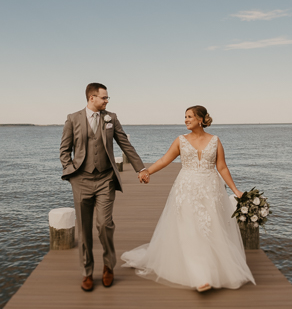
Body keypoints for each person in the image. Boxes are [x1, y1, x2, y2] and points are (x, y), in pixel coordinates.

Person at [121, 105, 255, 292]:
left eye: (189, 116)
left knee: (210, 228)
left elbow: (222, 167)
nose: (185, 120)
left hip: (211, 190)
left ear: (200, 119)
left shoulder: (215, 141)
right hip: (186, 189)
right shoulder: (180, 141)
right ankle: (201, 277)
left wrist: (236, 190)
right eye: (185, 117)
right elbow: (164, 160)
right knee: (190, 229)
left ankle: (212, 269)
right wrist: (146, 171)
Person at [59, 82, 149, 292]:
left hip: (105, 179)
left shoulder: (111, 118)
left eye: (107, 98)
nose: (107, 101)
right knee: (84, 229)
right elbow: (64, 150)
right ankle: (87, 271)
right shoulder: (73, 119)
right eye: (104, 97)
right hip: (81, 180)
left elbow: (125, 144)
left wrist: (140, 169)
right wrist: (71, 171)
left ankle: (108, 265)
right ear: (92, 98)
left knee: (104, 224)